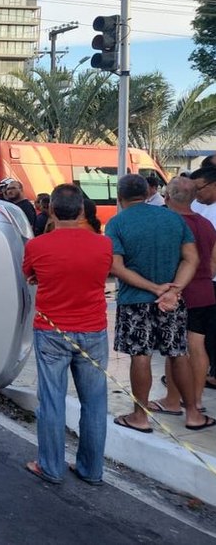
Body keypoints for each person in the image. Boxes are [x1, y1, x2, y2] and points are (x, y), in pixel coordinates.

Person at [107, 173, 213, 432]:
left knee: (140, 355)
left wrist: (153, 288)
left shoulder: (117, 222)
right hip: (171, 301)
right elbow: (192, 259)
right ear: (147, 194)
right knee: (178, 353)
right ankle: (193, 414)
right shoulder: (173, 219)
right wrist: (175, 290)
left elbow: (116, 267)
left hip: (135, 301)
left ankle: (140, 417)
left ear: (119, 197)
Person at [22, 184, 113, 485]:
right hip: (93, 331)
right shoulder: (103, 245)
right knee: (95, 403)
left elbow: (29, 274)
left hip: (52, 330)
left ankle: (50, 466)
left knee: (52, 400)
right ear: (82, 210)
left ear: (50, 210)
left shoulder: (37, 246)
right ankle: (91, 470)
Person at [149, 177, 215, 416]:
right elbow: (213, 262)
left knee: (174, 349)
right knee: (197, 346)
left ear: (167, 197)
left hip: (179, 292)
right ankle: (195, 401)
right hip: (205, 291)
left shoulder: (169, 223)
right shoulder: (206, 224)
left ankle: (172, 401)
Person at [189, 167, 216, 391]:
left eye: (199, 189)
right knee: (203, 337)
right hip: (204, 282)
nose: (196, 194)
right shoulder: (198, 206)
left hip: (208, 280)